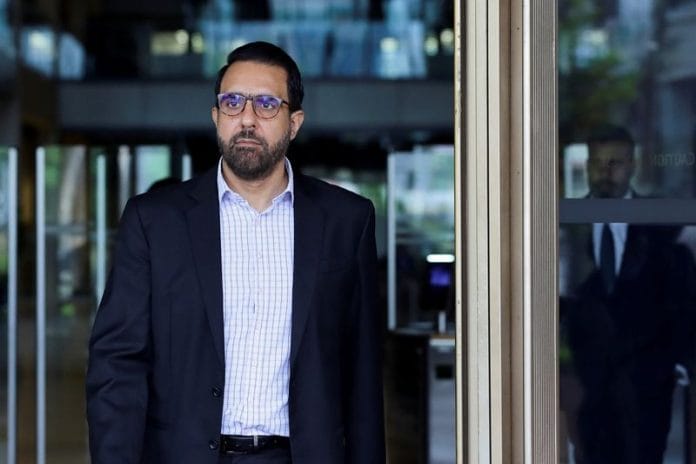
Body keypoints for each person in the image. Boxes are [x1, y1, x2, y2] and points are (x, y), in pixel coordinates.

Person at [86, 41, 385, 464]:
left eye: (266, 104)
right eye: (232, 102)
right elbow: (118, 363)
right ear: (216, 116)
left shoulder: (346, 221)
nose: (246, 118)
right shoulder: (155, 221)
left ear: (294, 123)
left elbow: (363, 374)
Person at [560, 125, 696, 463]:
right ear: (586, 166)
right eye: (597, 163)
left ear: (632, 165)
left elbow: (683, 299)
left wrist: (677, 364)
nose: (605, 173)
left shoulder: (661, 225)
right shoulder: (565, 224)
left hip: (646, 385)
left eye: (615, 163)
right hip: (586, 383)